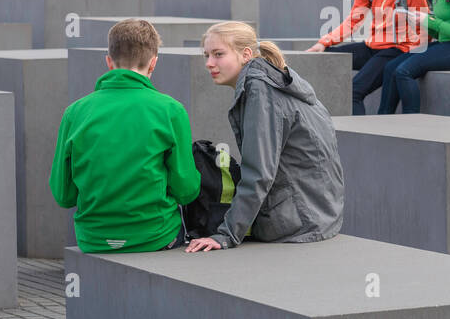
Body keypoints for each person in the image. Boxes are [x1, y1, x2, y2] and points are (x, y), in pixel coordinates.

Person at [188, 21, 344, 252]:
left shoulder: (262, 91)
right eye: (207, 55)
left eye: (218, 54)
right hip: (321, 214)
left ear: (246, 54)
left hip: (296, 222)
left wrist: (227, 235)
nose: (210, 63)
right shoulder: (273, 80)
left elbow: (259, 172)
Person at [49, 19, 200, 252]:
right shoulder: (171, 110)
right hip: (155, 236)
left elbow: (63, 195)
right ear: (153, 64)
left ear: (109, 62)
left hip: (93, 239)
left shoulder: (74, 112)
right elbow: (186, 190)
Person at [305, 0, 429, 114]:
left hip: (395, 50)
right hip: (372, 47)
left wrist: (410, 54)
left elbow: (426, 28)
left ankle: (361, 136)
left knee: (353, 92)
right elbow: (353, 21)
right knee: (326, 55)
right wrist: (324, 42)